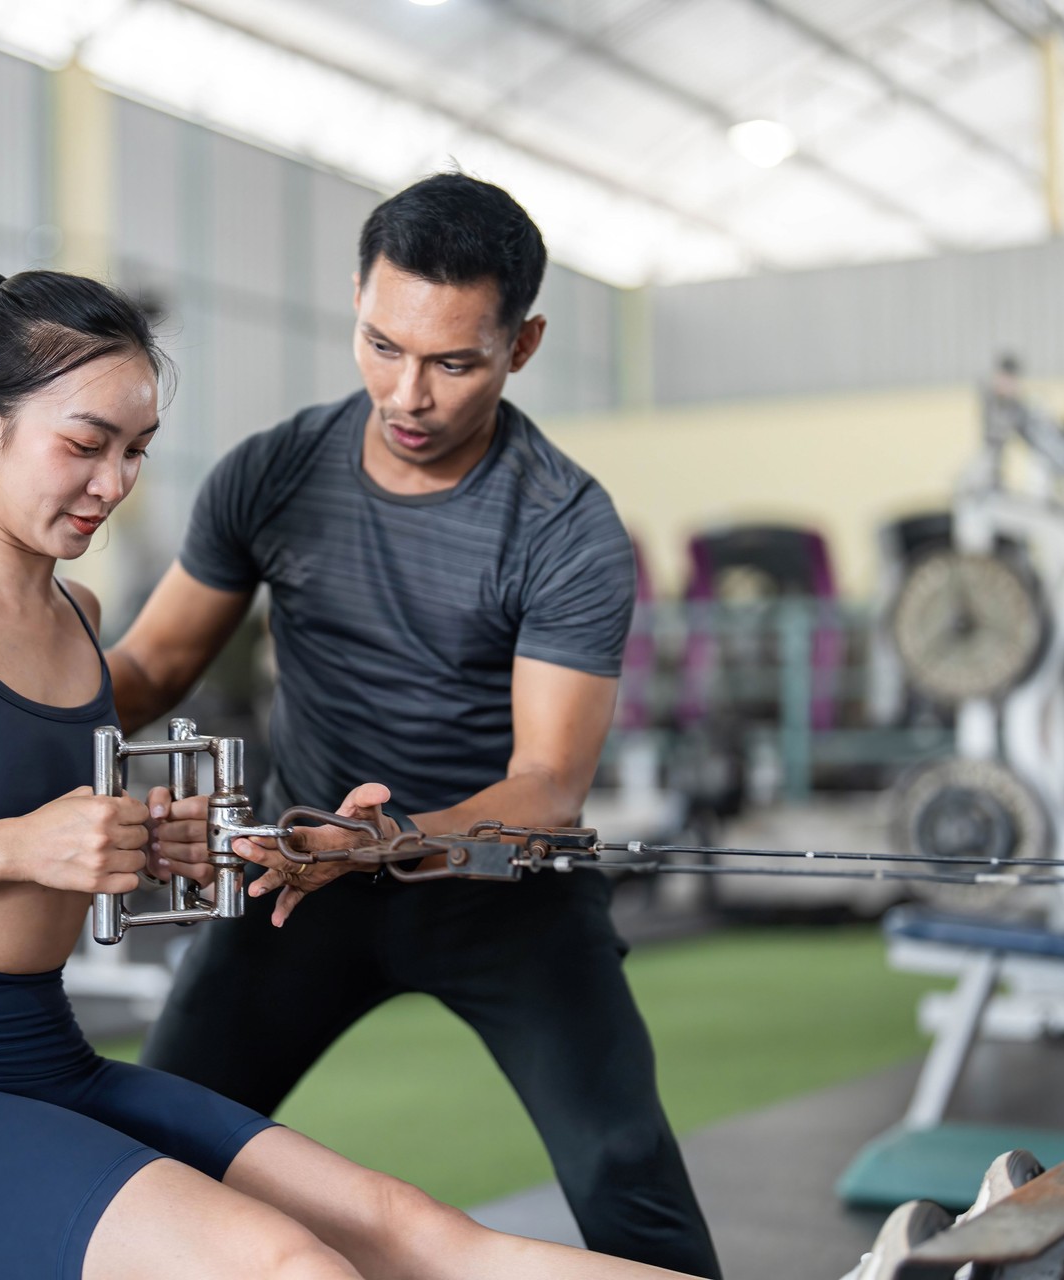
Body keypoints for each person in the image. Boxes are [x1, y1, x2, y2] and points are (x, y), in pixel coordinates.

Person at [0, 265, 707, 1280]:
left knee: (415, 1228)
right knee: (292, 1263)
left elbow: (42, 826)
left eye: (136, 450)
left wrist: (164, 844)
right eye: (86, 443)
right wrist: (24, 842)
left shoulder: (79, 618)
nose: (114, 483)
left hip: (52, 1061)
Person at [115, 174, 723, 1277]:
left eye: (454, 362)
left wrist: (384, 839)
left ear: (522, 344)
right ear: (356, 297)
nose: (409, 392)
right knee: (149, 1144)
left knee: (625, 1160)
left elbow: (546, 784)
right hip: (304, 886)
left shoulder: (566, 525)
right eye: (381, 343)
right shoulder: (273, 473)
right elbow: (150, 663)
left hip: (506, 897)